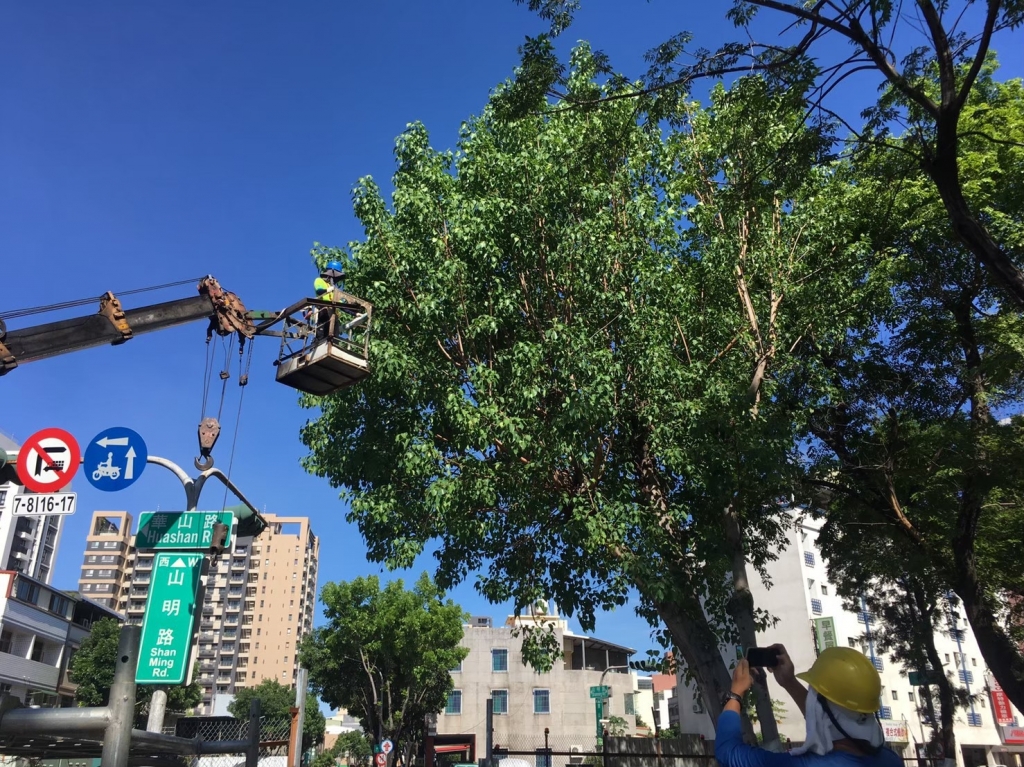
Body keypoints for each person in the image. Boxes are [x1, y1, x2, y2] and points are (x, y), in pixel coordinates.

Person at [715, 645, 903, 767]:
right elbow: (833, 718)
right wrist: (789, 682)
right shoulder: (890, 760)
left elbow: (728, 752)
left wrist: (735, 693)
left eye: (813, 693)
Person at [313, 260, 345, 339]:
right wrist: (327, 290)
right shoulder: (319, 280)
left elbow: (341, 305)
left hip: (333, 315)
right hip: (323, 311)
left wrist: (355, 313)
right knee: (322, 335)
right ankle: (319, 342)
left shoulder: (334, 290)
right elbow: (319, 291)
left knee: (333, 337)